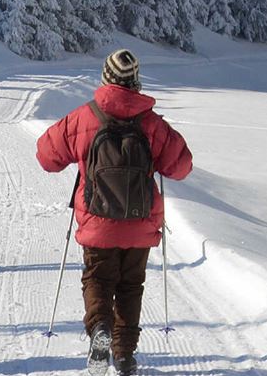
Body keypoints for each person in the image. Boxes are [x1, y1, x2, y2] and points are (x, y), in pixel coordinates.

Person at [36, 49, 193, 376]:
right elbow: (181, 166)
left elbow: (46, 157)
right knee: (130, 286)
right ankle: (124, 357)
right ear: (135, 81)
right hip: (140, 223)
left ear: (106, 78)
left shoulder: (84, 117)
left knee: (97, 278)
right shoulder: (151, 123)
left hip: (97, 221)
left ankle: (100, 330)